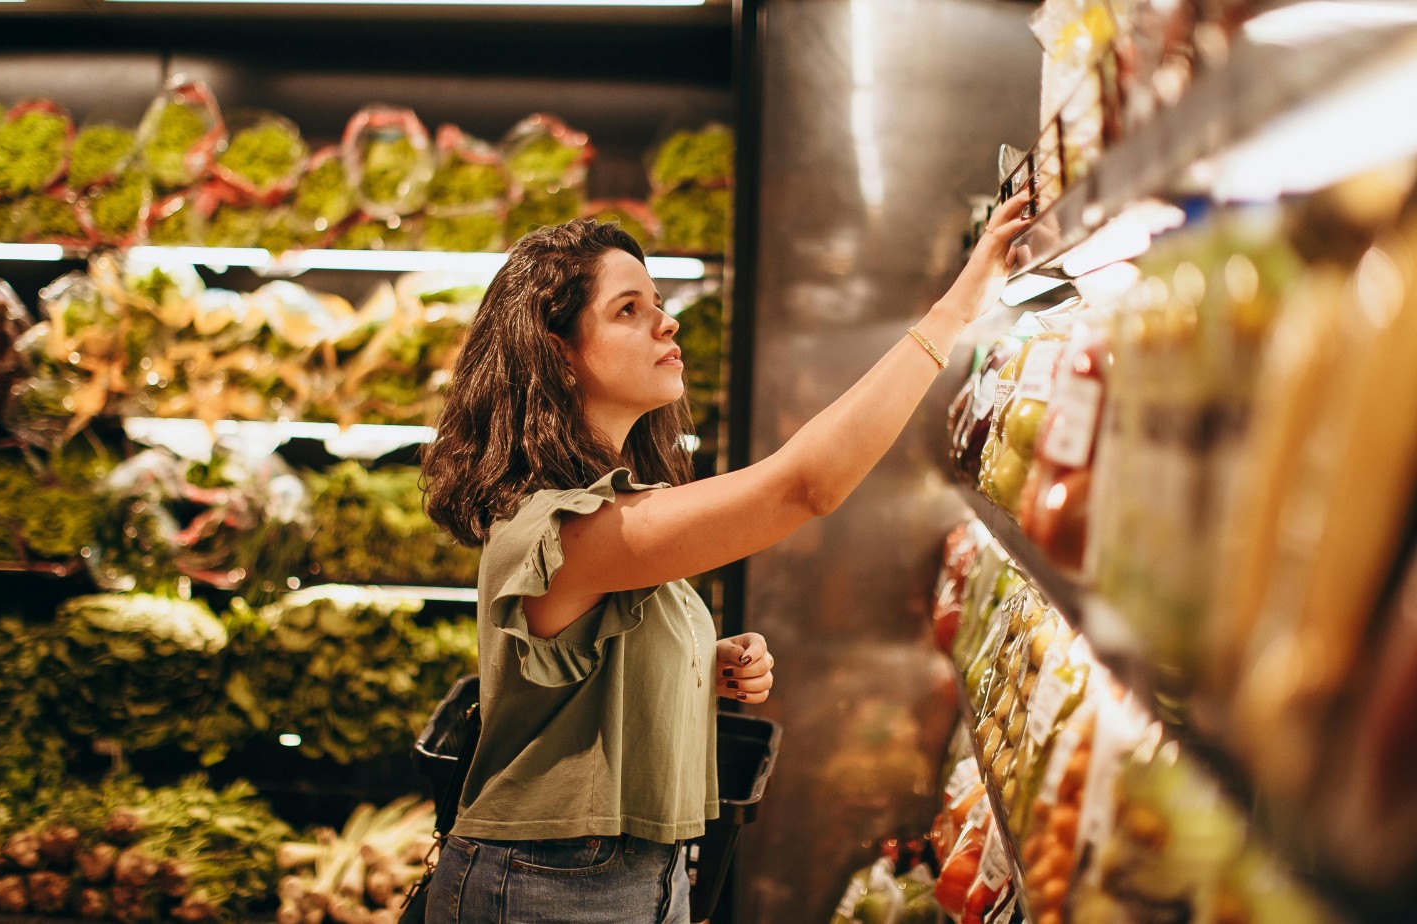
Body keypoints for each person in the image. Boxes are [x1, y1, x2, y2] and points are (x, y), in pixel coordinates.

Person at [418, 189, 1034, 923]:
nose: (665, 319)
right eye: (628, 310)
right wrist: (956, 308)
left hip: (632, 878)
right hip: (547, 886)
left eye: (656, 302)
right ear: (557, 348)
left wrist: (701, 669)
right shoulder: (556, 529)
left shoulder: (613, 510)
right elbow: (804, 487)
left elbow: (586, 679)